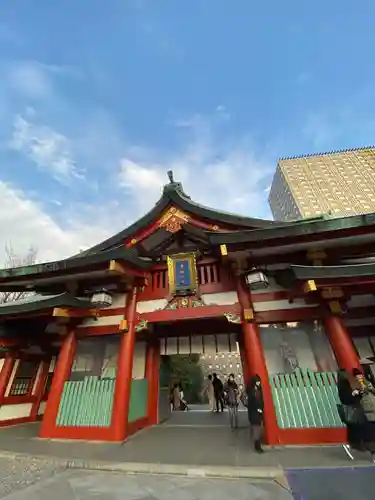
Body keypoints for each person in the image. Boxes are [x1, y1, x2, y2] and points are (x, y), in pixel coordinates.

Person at [337, 368, 365, 459]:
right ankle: (353, 445)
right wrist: (353, 393)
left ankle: (354, 444)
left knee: (355, 427)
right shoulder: (344, 385)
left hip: (354, 408)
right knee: (355, 426)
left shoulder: (348, 384)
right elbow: (345, 398)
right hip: (351, 408)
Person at [353, 368, 375, 462]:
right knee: (371, 434)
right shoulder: (354, 385)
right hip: (367, 411)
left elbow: (373, 390)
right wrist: (357, 392)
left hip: (373, 408)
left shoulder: (367, 382)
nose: (360, 377)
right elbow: (354, 395)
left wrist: (370, 388)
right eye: (357, 376)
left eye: (360, 375)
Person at [246, 374, 265, 453]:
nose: (259, 383)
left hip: (258, 412)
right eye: (257, 382)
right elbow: (251, 403)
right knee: (257, 429)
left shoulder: (258, 390)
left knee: (259, 429)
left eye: (259, 381)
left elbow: (261, 401)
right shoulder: (252, 392)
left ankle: (258, 445)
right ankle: (257, 447)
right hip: (254, 413)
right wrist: (258, 409)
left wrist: (261, 408)